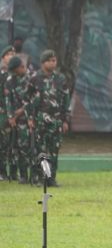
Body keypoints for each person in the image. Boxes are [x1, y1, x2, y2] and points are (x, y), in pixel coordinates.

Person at [28, 50, 71, 187]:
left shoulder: (60, 79)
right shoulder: (35, 78)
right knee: (41, 150)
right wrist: (30, 118)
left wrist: (65, 120)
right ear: (43, 62)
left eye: (54, 60)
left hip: (57, 120)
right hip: (41, 119)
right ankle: (41, 178)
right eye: (50, 60)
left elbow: (66, 99)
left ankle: (51, 179)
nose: (53, 63)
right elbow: (28, 100)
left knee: (54, 149)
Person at [4, 56, 33, 184]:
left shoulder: (31, 79)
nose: (15, 73)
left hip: (30, 118)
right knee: (18, 147)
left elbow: (35, 98)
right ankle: (22, 175)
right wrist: (11, 117)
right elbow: (7, 100)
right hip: (16, 121)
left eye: (16, 70)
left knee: (31, 147)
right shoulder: (10, 81)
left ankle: (35, 175)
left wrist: (22, 110)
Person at [0, 46, 15, 181]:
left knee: (13, 143)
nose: (11, 56)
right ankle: (2, 172)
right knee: (2, 143)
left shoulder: (16, 75)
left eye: (13, 54)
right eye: (9, 54)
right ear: (3, 57)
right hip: (2, 113)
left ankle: (14, 173)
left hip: (15, 114)